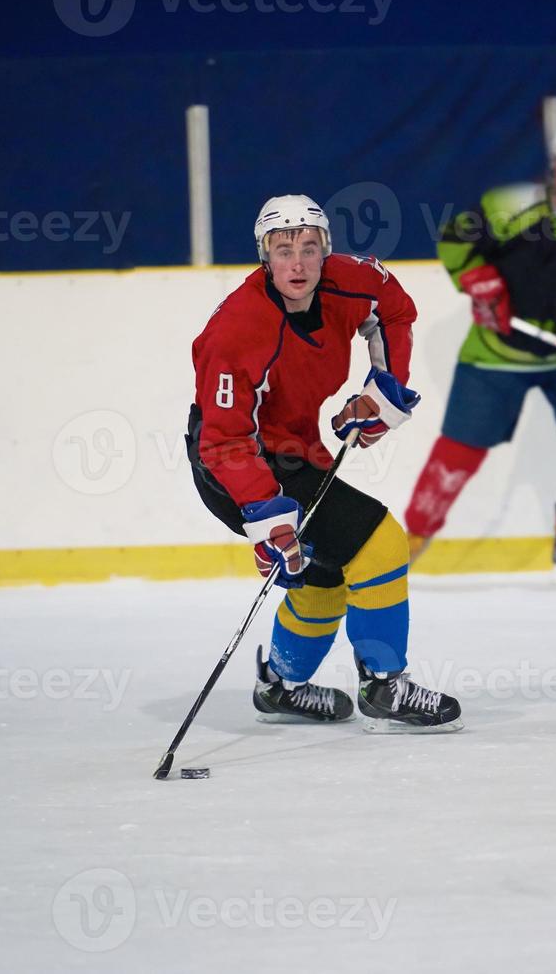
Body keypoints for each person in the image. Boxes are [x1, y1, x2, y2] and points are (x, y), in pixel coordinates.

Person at [187, 194, 462, 732]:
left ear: (325, 252)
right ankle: (386, 684)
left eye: (309, 248)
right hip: (233, 461)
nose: (297, 262)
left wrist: (383, 390)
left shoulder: (350, 280)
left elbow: (395, 311)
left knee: (322, 576)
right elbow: (223, 441)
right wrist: (266, 514)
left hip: (290, 446)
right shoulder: (237, 330)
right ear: (264, 254)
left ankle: (283, 686)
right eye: (283, 249)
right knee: (378, 545)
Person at [404, 126, 556, 576]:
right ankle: (409, 540)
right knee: (459, 452)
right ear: (553, 169)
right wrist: (477, 279)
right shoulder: (507, 204)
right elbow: (453, 240)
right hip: (493, 354)